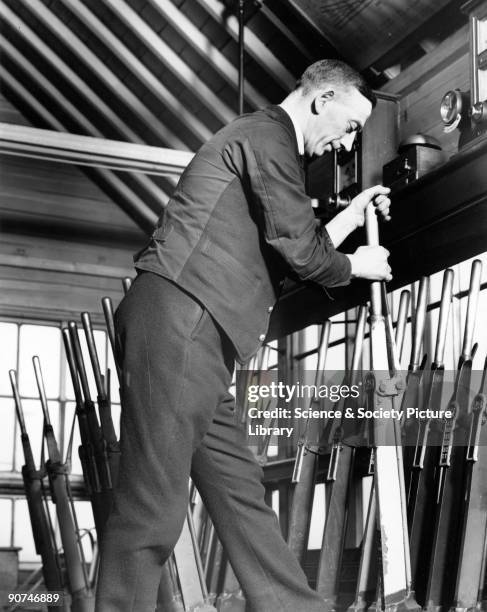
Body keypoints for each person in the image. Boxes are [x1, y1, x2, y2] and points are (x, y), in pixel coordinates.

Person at [95, 59, 392, 612]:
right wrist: (360, 267)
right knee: (152, 505)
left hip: (199, 332)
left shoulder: (266, 146)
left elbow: (286, 248)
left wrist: (350, 218)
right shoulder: (268, 136)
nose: (347, 145)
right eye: (350, 127)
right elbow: (303, 253)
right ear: (324, 99)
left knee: (238, 491)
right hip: (183, 321)